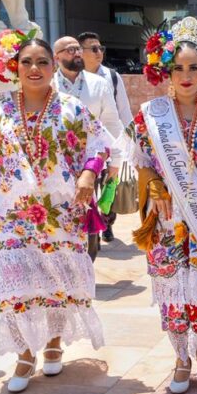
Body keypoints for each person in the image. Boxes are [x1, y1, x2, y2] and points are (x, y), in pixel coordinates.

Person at [0, 36, 112, 394]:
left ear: (53, 66)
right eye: (27, 62)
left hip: (60, 213)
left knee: (57, 280)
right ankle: (23, 354)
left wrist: (88, 174)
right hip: (12, 215)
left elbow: (99, 144)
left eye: (42, 61)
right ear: (14, 67)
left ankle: (53, 343)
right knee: (18, 283)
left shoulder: (71, 107)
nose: (35, 68)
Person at [124, 16, 197, 394]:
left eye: (193, 67)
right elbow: (140, 160)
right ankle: (180, 357)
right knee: (174, 290)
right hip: (168, 220)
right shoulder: (151, 114)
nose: (186, 75)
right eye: (178, 68)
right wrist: (155, 186)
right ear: (167, 72)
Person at [53, 35, 123, 257]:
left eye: (77, 49)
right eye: (69, 50)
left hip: (92, 163)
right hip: (56, 167)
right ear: (56, 57)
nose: (76, 53)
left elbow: (112, 122)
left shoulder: (99, 84)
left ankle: (88, 258)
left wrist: (116, 161)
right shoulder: (49, 85)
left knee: (87, 219)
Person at [77, 31, 132, 242]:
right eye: (93, 48)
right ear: (80, 52)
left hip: (109, 142)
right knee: (90, 186)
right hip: (84, 147)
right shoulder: (74, 78)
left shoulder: (112, 77)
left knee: (109, 186)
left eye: (100, 48)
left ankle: (108, 223)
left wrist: (128, 141)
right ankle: (92, 232)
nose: (99, 52)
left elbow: (123, 110)